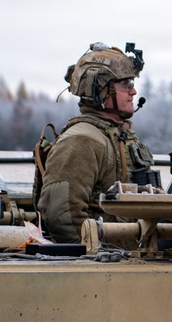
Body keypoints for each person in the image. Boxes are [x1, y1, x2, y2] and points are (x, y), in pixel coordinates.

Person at [36, 42, 158, 246]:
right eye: (126, 84)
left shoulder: (117, 134)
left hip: (130, 256)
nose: (134, 91)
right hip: (106, 264)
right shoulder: (82, 140)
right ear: (100, 89)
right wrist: (95, 256)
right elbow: (61, 216)